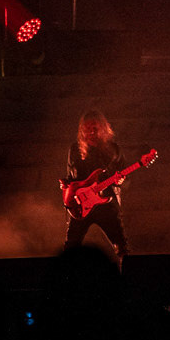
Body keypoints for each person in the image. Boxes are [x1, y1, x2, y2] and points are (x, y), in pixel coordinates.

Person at [61, 110, 129, 260]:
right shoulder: (75, 150)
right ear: (82, 130)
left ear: (103, 128)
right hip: (81, 206)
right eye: (87, 127)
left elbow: (125, 175)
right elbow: (71, 177)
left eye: (95, 127)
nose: (91, 131)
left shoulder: (114, 150)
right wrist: (66, 186)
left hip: (107, 205)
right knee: (71, 247)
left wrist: (121, 181)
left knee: (122, 247)